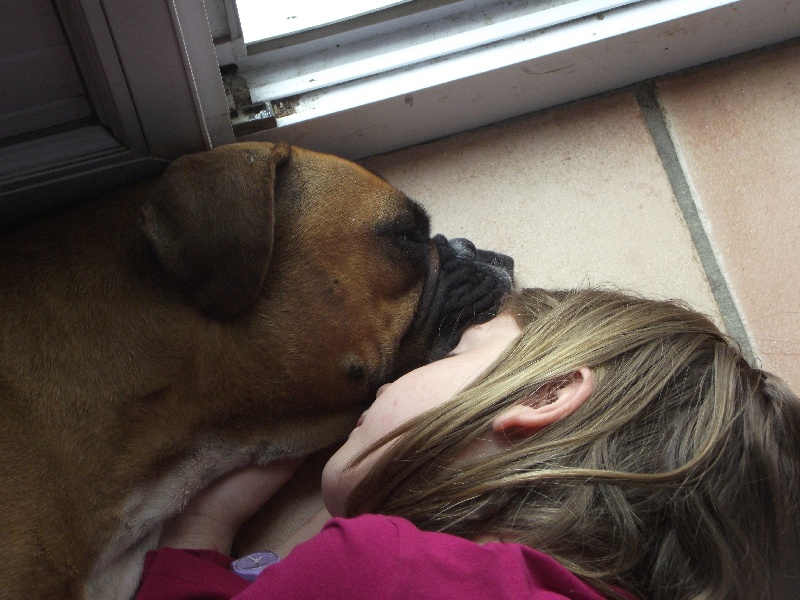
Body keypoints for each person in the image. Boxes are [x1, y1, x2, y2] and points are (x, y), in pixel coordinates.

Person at [136, 288, 800, 600]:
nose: (392, 378)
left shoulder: (382, 575)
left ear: (546, 394)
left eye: (458, 351)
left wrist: (202, 531)